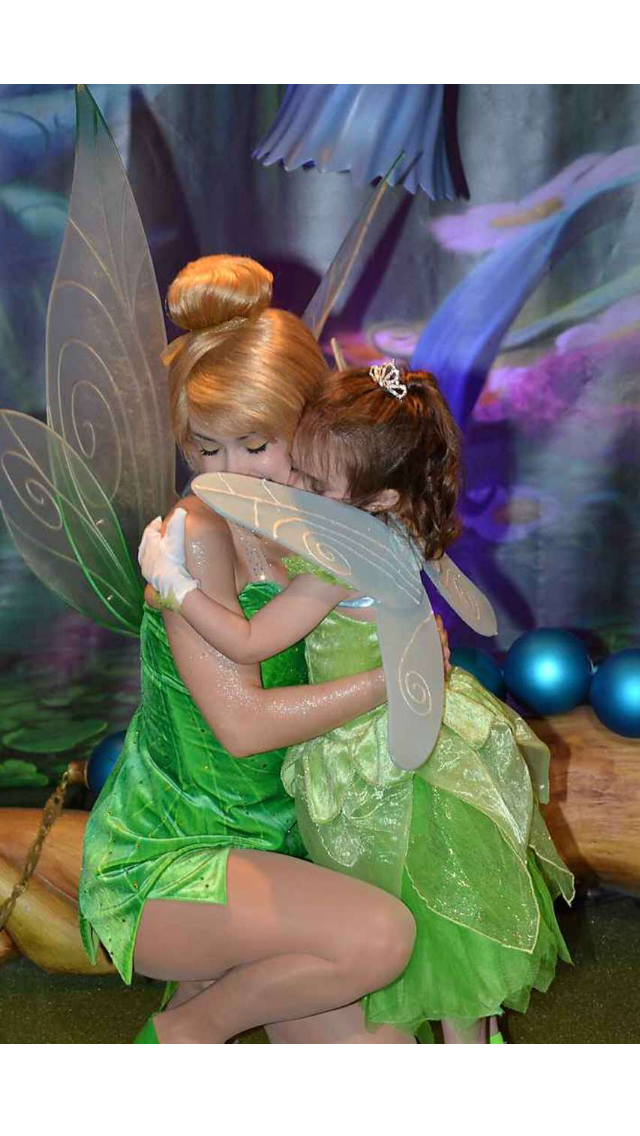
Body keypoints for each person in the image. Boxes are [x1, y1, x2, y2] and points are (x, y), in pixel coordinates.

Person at [141, 362, 575, 1044]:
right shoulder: (401, 530)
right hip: (433, 744)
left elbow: (250, 641)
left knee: (424, 912)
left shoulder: (340, 559)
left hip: (378, 764)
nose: (298, 489)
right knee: (454, 920)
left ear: (377, 496)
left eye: (314, 482)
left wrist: (177, 588)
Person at [78, 257, 419, 1045]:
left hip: (286, 849)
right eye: (205, 450)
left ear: (309, 425)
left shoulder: (317, 524)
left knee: (391, 1061)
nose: (227, 474)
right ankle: (190, 1031)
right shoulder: (194, 534)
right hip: (176, 860)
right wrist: (395, 681)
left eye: (255, 444)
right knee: (380, 938)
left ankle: (204, 1003)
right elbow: (244, 728)